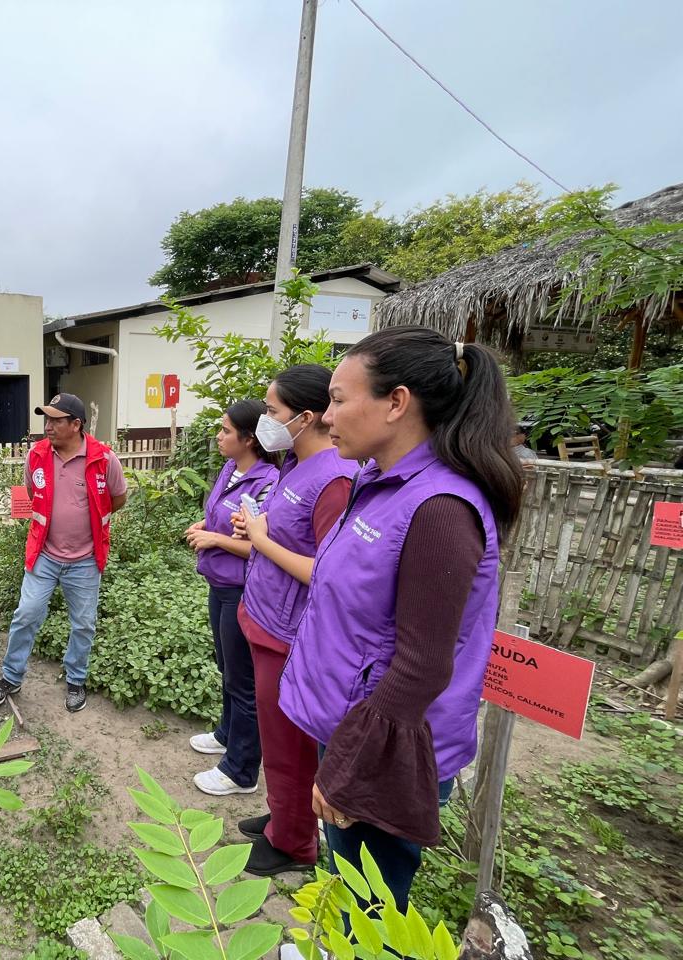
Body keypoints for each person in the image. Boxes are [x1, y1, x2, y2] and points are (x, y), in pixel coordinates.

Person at [279, 326, 524, 910]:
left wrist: (347, 766)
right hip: (354, 724)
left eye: (338, 399)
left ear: (396, 402)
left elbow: (422, 666)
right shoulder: (378, 483)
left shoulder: (439, 509)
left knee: (373, 904)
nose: (327, 416)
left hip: (384, 746)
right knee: (345, 876)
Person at [229, 365, 356, 875]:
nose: (265, 420)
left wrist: (261, 540)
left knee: (291, 743)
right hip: (266, 619)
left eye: (272, 411)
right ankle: (285, 815)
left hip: (290, 635)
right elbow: (289, 536)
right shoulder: (296, 465)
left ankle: (294, 843)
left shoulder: (334, 479)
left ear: (306, 417)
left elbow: (326, 571)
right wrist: (258, 530)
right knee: (277, 738)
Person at [0, 393, 128, 713]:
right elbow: (33, 493)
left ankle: (76, 679)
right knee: (26, 614)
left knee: (84, 624)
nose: (47, 426)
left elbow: (118, 498)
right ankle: (11, 677)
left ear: (76, 425)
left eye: (55, 420)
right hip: (44, 555)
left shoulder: (104, 459)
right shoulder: (36, 455)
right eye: (46, 419)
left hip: (85, 560)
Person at [183, 400, 280, 797]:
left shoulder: (268, 482)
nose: (219, 436)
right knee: (227, 666)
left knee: (243, 679)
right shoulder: (230, 469)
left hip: (242, 589)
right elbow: (223, 516)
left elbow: (261, 546)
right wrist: (206, 524)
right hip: (218, 584)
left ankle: (241, 770)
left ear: (250, 438)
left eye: (226, 430)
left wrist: (214, 539)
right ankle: (227, 733)